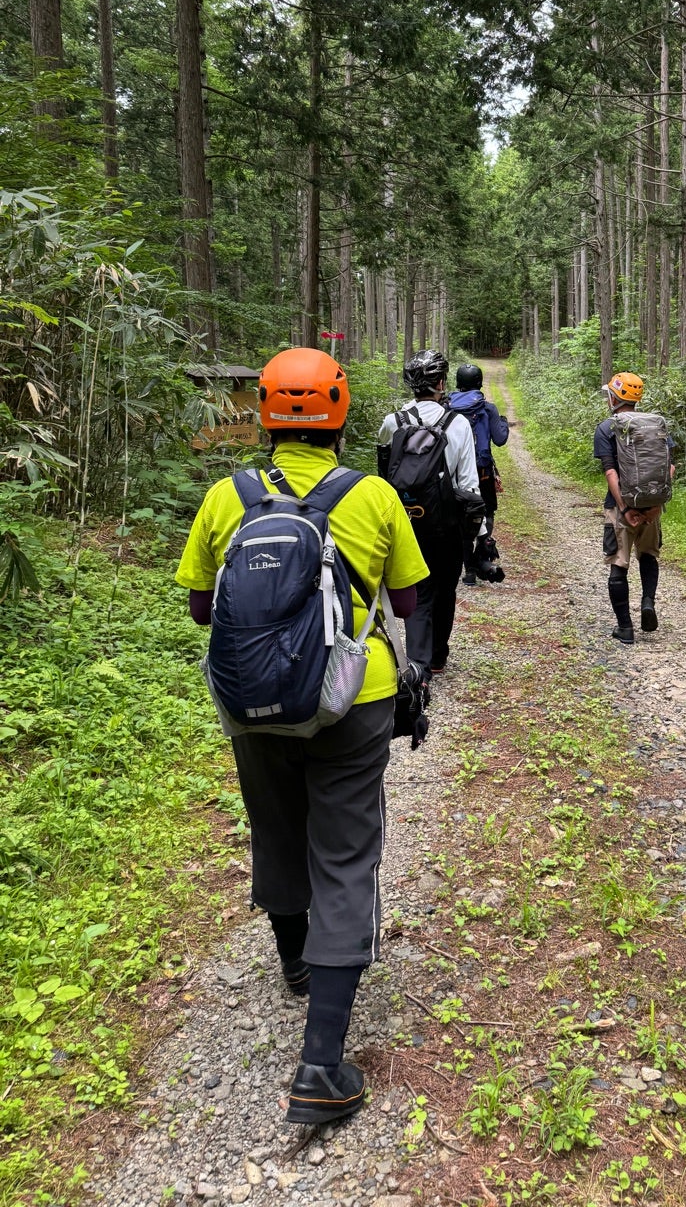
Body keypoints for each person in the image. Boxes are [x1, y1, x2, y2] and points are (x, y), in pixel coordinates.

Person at [176, 348, 429, 1125]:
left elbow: (198, 608)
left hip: (253, 701)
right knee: (346, 852)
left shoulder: (229, 496)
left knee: (277, 828)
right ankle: (322, 1063)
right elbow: (411, 601)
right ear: (342, 412)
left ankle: (294, 960)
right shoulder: (376, 494)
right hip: (356, 701)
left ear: (264, 411)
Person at [377, 348, 480, 679]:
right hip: (446, 523)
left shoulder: (393, 422)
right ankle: (434, 657)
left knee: (416, 590)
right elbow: (468, 483)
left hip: (403, 521)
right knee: (444, 587)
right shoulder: (458, 423)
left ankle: (418, 658)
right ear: (440, 381)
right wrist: (478, 534)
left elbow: (382, 478)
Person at [593, 371, 675, 645]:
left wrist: (626, 509)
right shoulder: (656, 425)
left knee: (619, 565)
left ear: (615, 398)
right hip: (652, 507)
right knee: (649, 556)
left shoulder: (607, 428)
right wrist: (655, 507)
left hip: (620, 510)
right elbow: (669, 469)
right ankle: (648, 602)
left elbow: (610, 473)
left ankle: (625, 627)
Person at [449, 363, 510, 585]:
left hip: (455, 471)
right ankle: (478, 560)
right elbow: (500, 439)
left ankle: (468, 571)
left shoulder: (447, 406)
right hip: (482, 472)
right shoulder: (488, 408)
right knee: (488, 514)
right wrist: (503, 422)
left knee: (461, 518)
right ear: (479, 382)